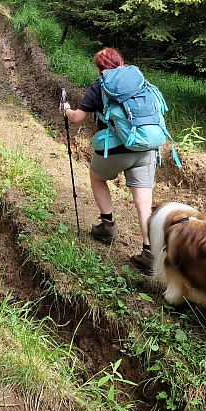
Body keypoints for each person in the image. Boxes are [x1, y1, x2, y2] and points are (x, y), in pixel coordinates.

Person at [60, 47, 155, 272]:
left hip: (115, 148)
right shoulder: (141, 83)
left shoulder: (100, 86)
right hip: (146, 147)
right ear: (121, 62)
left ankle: (108, 226)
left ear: (99, 68)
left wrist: (66, 109)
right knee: (143, 201)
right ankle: (150, 253)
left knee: (97, 177)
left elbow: (77, 118)